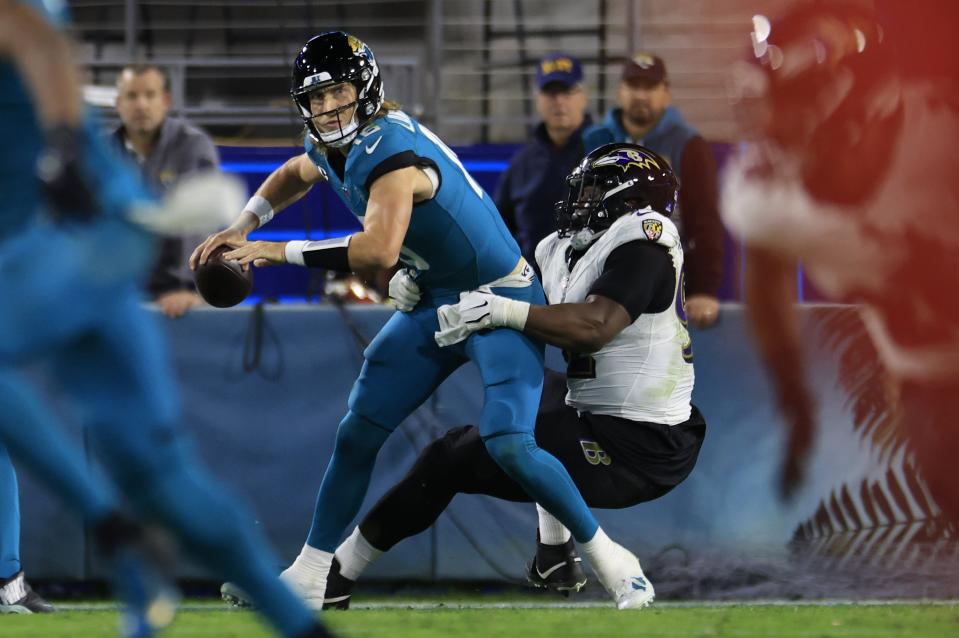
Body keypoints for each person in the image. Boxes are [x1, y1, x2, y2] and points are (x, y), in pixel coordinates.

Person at [194, 31, 654, 611]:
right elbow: (294, 173)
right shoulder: (336, 145)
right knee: (357, 430)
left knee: (508, 442)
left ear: (364, 90)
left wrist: (273, 250)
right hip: (437, 296)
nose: (329, 108)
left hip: (497, 298)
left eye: (339, 91)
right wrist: (244, 224)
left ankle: (614, 560)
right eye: (317, 98)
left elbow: (378, 251)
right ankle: (311, 574)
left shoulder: (387, 149)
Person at [0, 2, 332, 636]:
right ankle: (298, 624)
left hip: (70, 236)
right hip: (95, 238)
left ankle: (113, 528)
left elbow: (35, 40)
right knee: (162, 476)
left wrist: (65, 149)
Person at [314, 143, 707, 609]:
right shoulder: (563, 247)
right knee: (527, 394)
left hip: (641, 443)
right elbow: (493, 275)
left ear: (627, 197)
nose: (580, 201)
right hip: (598, 412)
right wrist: (420, 276)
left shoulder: (645, 245)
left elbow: (595, 327)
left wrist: (503, 311)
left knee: (451, 456)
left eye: (595, 189)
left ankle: (338, 574)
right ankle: (555, 552)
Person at [720, 1, 959, 523]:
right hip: (932, 389)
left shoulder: (943, 140)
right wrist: (793, 397)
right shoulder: (767, 196)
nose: (773, 135)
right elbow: (765, 272)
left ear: (855, 100)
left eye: (791, 111)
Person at [584, 53, 723, 329]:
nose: (641, 95)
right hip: (603, 280)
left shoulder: (689, 145)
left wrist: (704, 290)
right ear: (620, 92)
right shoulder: (596, 141)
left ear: (666, 93)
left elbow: (705, 220)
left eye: (650, 87)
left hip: (670, 286)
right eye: (634, 86)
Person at [110, 64, 216, 319]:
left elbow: (199, 222)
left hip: (174, 296)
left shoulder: (193, 146)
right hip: (115, 294)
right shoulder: (102, 153)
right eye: (132, 96)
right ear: (118, 103)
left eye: (150, 95)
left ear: (165, 100)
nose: (141, 105)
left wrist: (189, 288)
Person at [494, 52, 591, 264]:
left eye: (566, 92)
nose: (558, 102)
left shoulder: (606, 152)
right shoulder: (521, 164)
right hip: (532, 287)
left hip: (593, 286)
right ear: (537, 99)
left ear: (583, 96)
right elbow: (497, 230)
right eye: (550, 93)